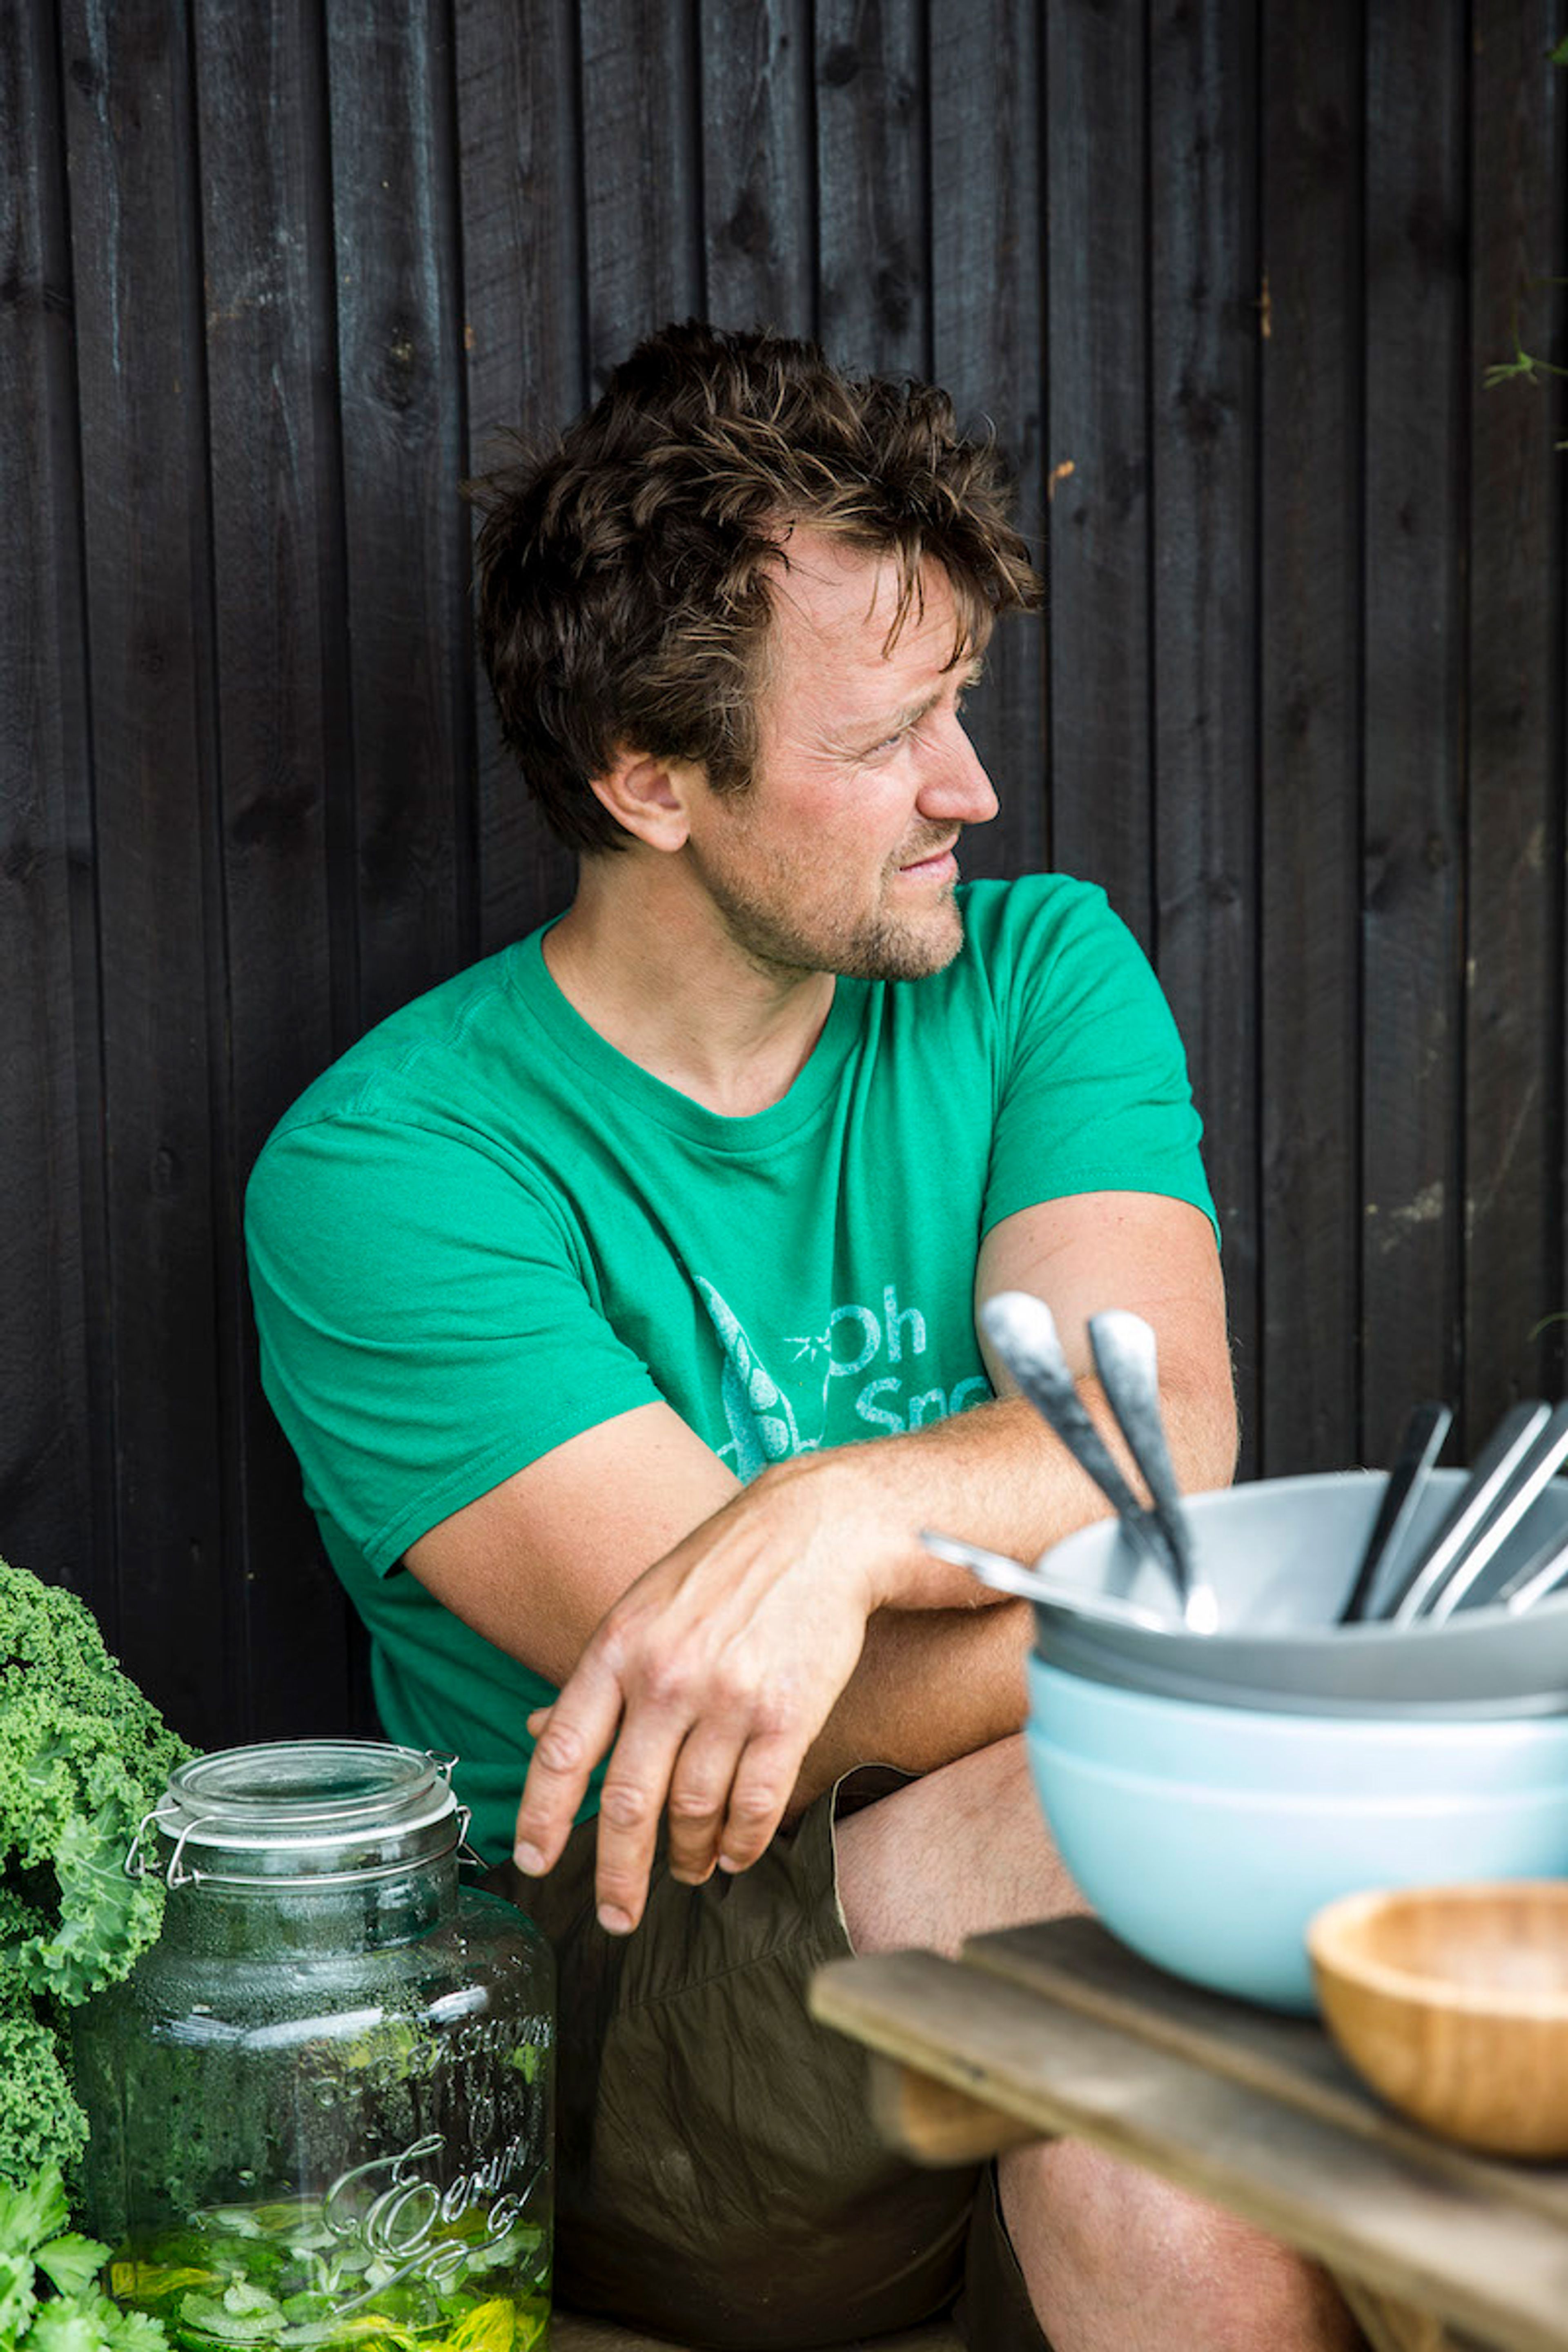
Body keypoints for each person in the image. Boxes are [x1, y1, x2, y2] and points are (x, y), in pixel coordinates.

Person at [245, 321, 1356, 2352]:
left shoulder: (1038, 976)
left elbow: (1161, 1441)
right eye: (883, 744)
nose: (972, 789)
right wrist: (1172, 1613)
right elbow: (786, 1728)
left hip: (1031, 1939)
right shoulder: (397, 1172)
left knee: (1159, 2109)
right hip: (642, 2020)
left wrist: (835, 1524)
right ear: (648, 778)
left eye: (962, 705)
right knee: (1178, 1788)